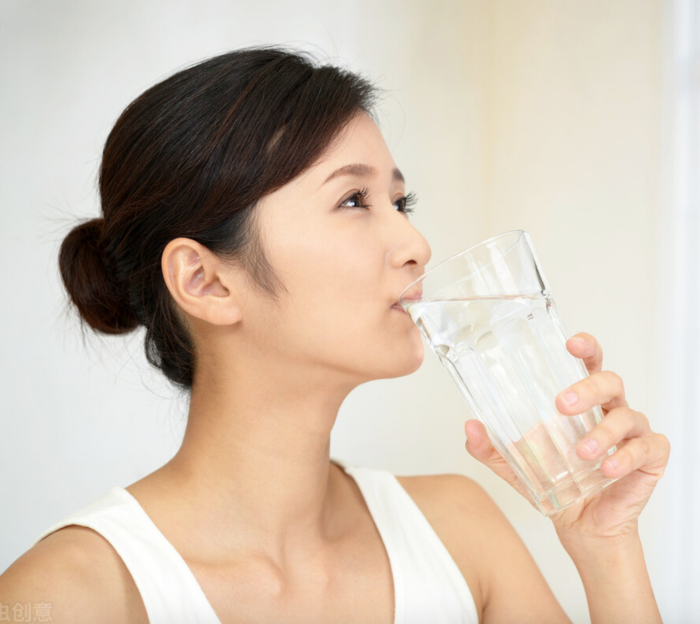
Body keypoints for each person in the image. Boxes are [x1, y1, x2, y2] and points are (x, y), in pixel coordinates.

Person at [0, 45, 669, 624]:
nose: (416, 243)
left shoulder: (461, 533)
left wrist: (605, 546)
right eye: (353, 201)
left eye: (400, 202)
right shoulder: (66, 596)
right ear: (205, 281)